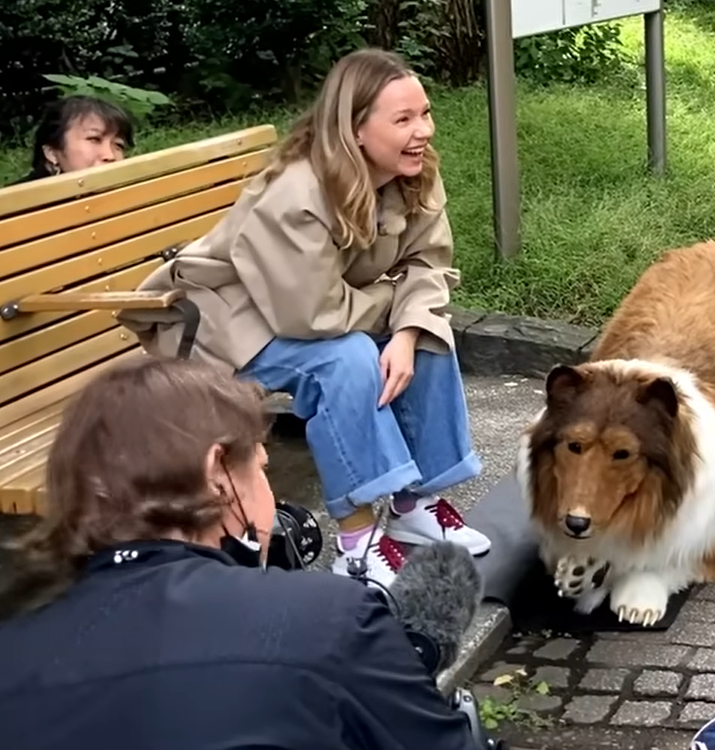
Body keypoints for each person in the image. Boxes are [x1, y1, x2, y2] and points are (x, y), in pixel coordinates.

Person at [118, 47, 490, 588]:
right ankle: (357, 545)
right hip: (221, 322)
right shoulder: (298, 192)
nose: (423, 131)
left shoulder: (414, 175)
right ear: (356, 129)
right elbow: (312, 315)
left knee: (428, 338)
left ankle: (415, 505)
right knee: (347, 360)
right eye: (403, 119)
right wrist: (394, 300)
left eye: (425, 113)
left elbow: (428, 266)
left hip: (311, 310)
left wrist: (408, 330)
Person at [0, 356, 485, 750]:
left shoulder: (15, 639)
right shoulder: (327, 618)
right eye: (261, 468)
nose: (270, 497)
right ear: (217, 472)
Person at [6, 95, 134, 185]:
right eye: (94, 139)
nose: (110, 156)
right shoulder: (12, 208)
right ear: (52, 153)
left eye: (118, 145)